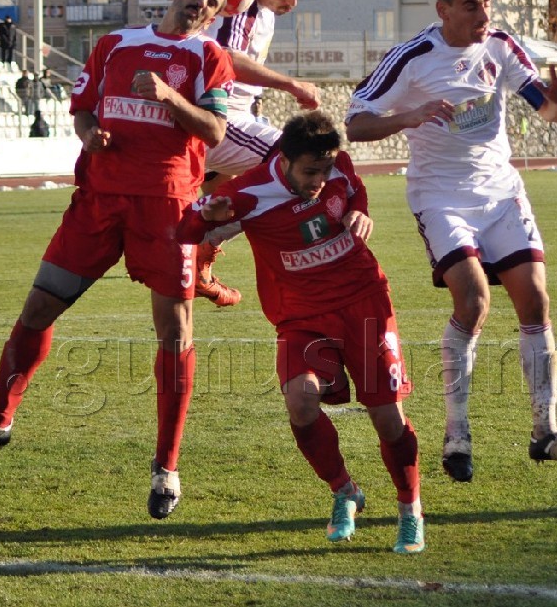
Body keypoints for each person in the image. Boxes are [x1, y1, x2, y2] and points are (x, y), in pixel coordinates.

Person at [0, 0, 235, 522]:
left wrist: (169, 95)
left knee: (175, 333)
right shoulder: (115, 43)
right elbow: (83, 108)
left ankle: (166, 467)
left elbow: (214, 132)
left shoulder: (208, 56)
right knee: (38, 307)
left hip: (167, 206)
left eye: (214, 4)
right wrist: (88, 134)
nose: (203, 5)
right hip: (99, 199)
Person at [346, 0, 557, 482]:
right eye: (470, 6)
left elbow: (547, 110)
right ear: (442, 9)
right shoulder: (413, 57)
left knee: (535, 299)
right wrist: (409, 116)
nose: (483, 15)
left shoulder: (500, 45)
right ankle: (457, 435)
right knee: (474, 301)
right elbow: (356, 122)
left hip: (501, 193)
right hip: (440, 197)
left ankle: (546, 432)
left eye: (486, 4)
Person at [178, 111, 425, 553]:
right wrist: (207, 216)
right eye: (310, 172)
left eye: (325, 170)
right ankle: (345, 490)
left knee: (388, 418)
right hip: (301, 316)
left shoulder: (337, 165)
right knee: (301, 401)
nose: (319, 180)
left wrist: (360, 211)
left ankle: (410, 511)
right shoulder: (248, 191)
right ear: (284, 160)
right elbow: (185, 228)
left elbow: (354, 188)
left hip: (364, 301)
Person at [192, 0, 321, 308]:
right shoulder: (241, 6)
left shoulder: (259, 11)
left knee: (235, 198)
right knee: (297, 165)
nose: (292, 1)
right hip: (218, 116)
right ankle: (201, 247)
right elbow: (227, 58)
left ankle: (193, 259)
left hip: (231, 115)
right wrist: (290, 84)